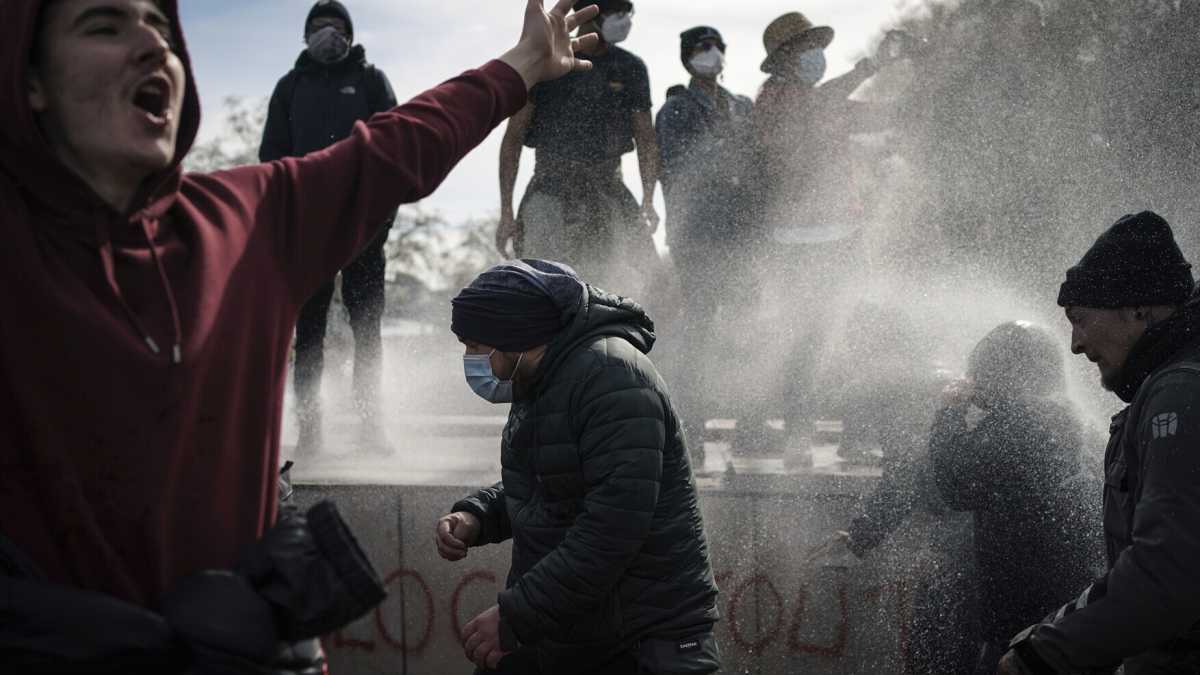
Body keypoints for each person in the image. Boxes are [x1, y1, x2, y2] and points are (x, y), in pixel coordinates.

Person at [0, 0, 599, 669]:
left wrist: (522, 64)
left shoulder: (248, 220)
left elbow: (398, 145)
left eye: (162, 27)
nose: (150, 43)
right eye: (105, 25)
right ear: (29, 79)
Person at [436, 260, 720, 674]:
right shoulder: (542, 377)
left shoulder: (612, 378)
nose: (470, 360)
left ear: (518, 336)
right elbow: (551, 481)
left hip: (642, 638)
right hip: (578, 623)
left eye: (477, 346)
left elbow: (612, 527)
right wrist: (478, 515)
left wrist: (517, 615)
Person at [1001, 212, 1200, 674]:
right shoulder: (1173, 383)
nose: (1074, 343)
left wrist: (1044, 654)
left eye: (1081, 319)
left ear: (1138, 310)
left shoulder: (1178, 393)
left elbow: (1167, 572)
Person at [259, 0, 399, 455]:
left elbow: (395, 149)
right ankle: (310, 431)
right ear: (305, 36)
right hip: (308, 231)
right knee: (309, 335)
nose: (328, 34)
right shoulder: (290, 87)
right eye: (318, 27)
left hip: (365, 228)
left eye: (337, 27)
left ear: (351, 34)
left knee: (367, 332)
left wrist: (380, 220)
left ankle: (370, 428)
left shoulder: (371, 81)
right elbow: (271, 161)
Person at [929, 321, 1102, 675]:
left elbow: (956, 484)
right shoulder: (1063, 417)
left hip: (1023, 619)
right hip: (1063, 608)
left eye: (981, 369)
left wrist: (949, 412)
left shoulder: (1017, 423)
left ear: (1001, 371)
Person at [747, 10, 881, 450]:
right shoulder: (774, 99)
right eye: (808, 50)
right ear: (786, 58)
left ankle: (855, 428)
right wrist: (868, 69)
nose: (817, 57)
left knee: (851, 328)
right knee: (803, 335)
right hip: (795, 243)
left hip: (840, 235)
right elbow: (817, 109)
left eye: (819, 49)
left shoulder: (825, 102)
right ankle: (796, 431)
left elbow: (869, 114)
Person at [495, 0, 661, 298]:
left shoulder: (630, 68)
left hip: (609, 187)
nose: (623, 20)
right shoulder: (547, 62)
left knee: (637, 278)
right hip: (550, 186)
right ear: (590, 15)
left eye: (626, 13)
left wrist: (648, 198)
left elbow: (646, 139)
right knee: (541, 286)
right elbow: (513, 138)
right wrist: (507, 210)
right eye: (614, 13)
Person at [654, 26, 755, 449]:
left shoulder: (741, 105)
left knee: (748, 325)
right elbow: (678, 165)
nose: (711, 54)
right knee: (700, 325)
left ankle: (751, 420)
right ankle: (688, 423)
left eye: (717, 46)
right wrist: (729, 150)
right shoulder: (676, 109)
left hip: (743, 234)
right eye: (701, 48)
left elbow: (758, 161)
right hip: (697, 234)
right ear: (687, 57)